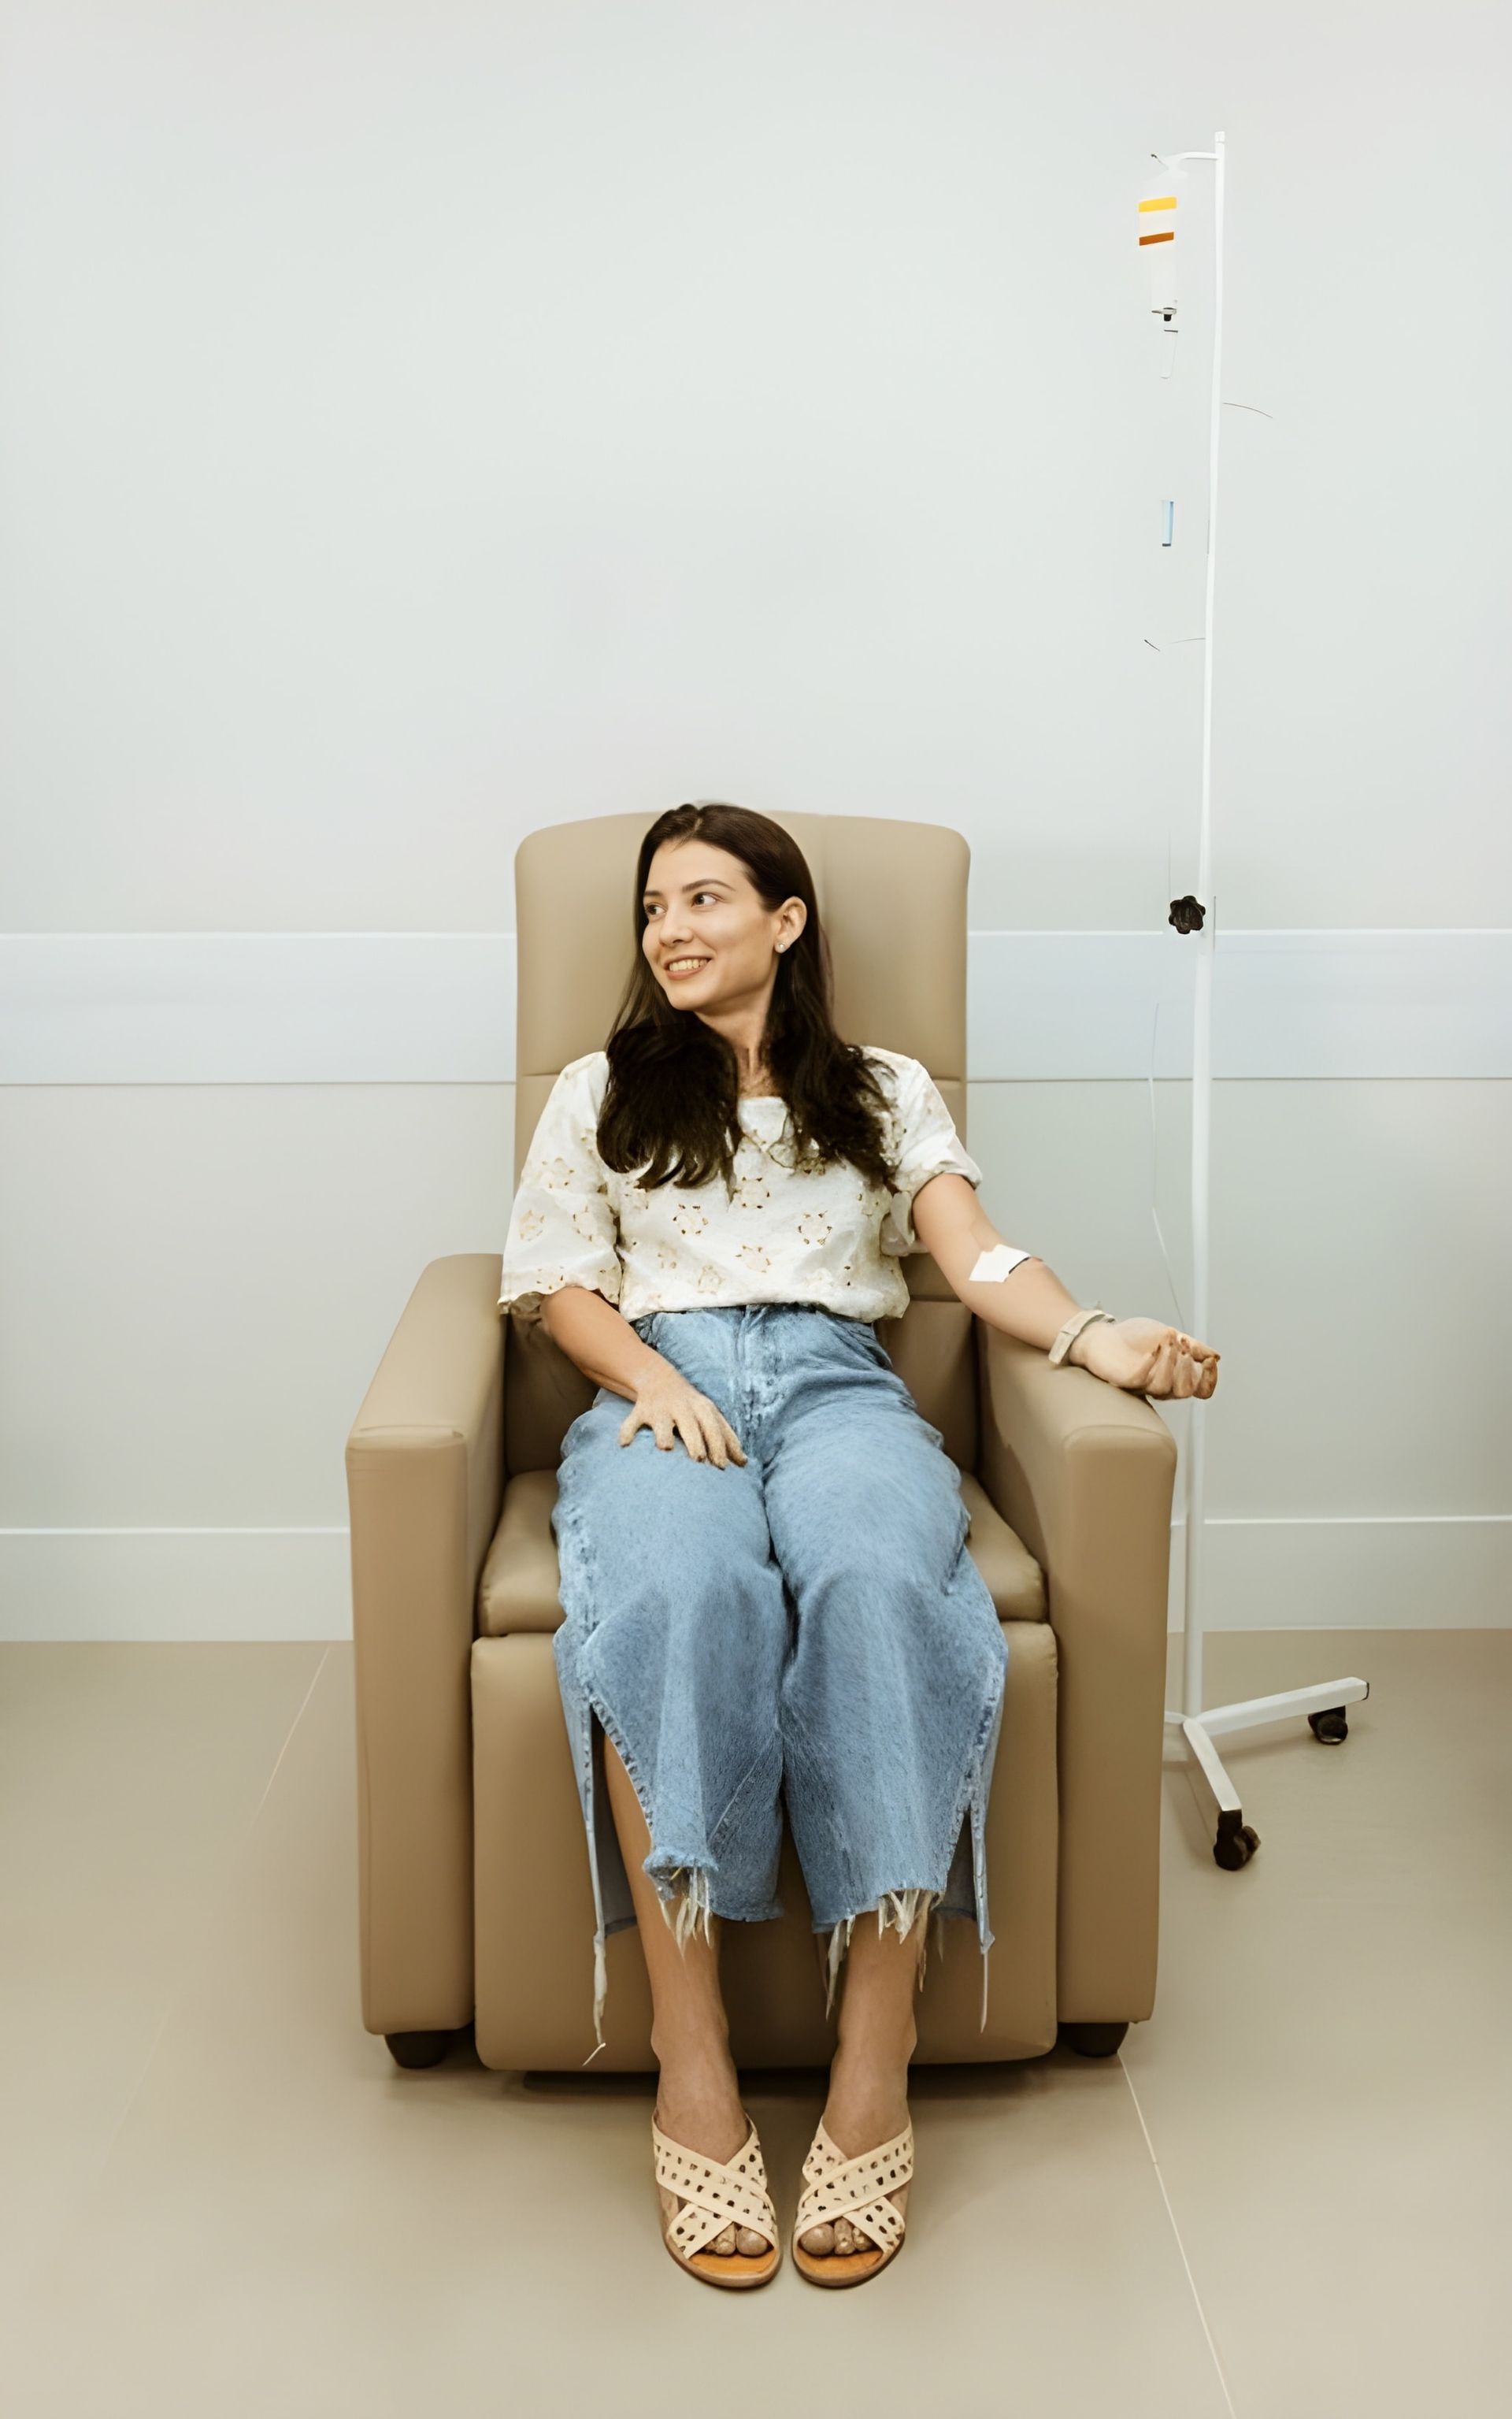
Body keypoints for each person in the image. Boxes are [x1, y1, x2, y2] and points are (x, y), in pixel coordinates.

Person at [497, 800, 1220, 2291]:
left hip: (837, 1383)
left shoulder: (881, 1091)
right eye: (652, 911)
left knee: (887, 1579)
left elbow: (975, 1256)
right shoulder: (601, 1090)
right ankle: (687, 2063)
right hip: (663, 1386)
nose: (672, 932)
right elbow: (560, 1285)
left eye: (705, 899)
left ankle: (872, 2054)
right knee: (679, 1588)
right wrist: (658, 1380)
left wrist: (1095, 1334)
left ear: (788, 918)